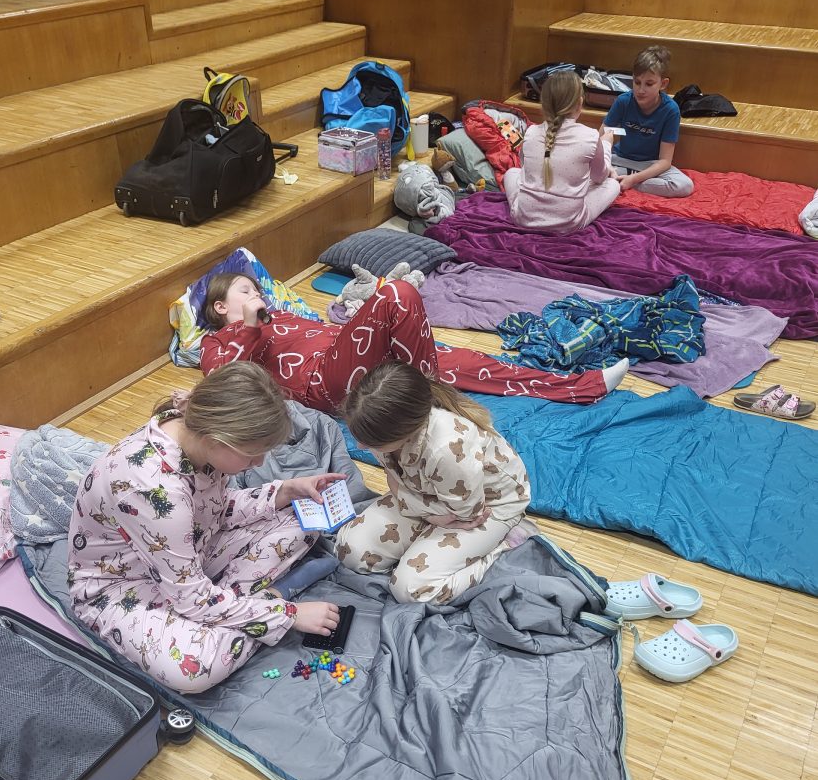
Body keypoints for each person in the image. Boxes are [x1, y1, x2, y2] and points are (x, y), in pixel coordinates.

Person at [68, 364, 341, 693]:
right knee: (196, 669)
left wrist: (285, 491)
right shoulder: (155, 491)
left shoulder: (195, 439)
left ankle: (233, 607)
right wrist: (286, 614)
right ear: (216, 440)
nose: (259, 463)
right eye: (252, 455)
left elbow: (216, 511)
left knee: (305, 522)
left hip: (188, 557)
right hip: (125, 587)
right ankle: (259, 601)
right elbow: (191, 600)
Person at [199, 273, 629, 411]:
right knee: (398, 293)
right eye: (245, 289)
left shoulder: (284, 315)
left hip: (356, 357)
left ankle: (580, 387)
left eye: (257, 288)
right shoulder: (217, 342)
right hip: (323, 383)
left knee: (467, 361)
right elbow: (221, 381)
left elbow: (335, 334)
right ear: (220, 306)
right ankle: (429, 399)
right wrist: (249, 327)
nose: (256, 293)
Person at [333, 362, 531, 605]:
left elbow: (467, 514)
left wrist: (410, 502)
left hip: (485, 508)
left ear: (404, 433)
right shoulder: (377, 428)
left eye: (372, 442)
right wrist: (430, 516)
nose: (360, 446)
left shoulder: (447, 449)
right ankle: (425, 544)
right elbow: (393, 479)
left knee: (411, 590)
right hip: (426, 498)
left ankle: (503, 545)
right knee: (349, 551)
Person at [503, 69, 620, 232]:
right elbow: (599, 177)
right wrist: (606, 145)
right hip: (570, 222)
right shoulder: (591, 136)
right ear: (580, 103)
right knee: (612, 184)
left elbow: (524, 168)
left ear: (543, 104)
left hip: (523, 218)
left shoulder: (530, 132)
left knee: (511, 173)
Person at [602, 45, 694, 198]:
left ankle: (622, 181)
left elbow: (665, 161)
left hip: (650, 164)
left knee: (684, 186)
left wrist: (634, 179)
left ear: (663, 84)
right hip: (619, 160)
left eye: (649, 84)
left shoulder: (671, 110)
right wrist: (607, 166)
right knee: (586, 168)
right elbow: (602, 138)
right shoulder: (623, 101)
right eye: (637, 82)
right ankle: (620, 178)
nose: (640, 90)